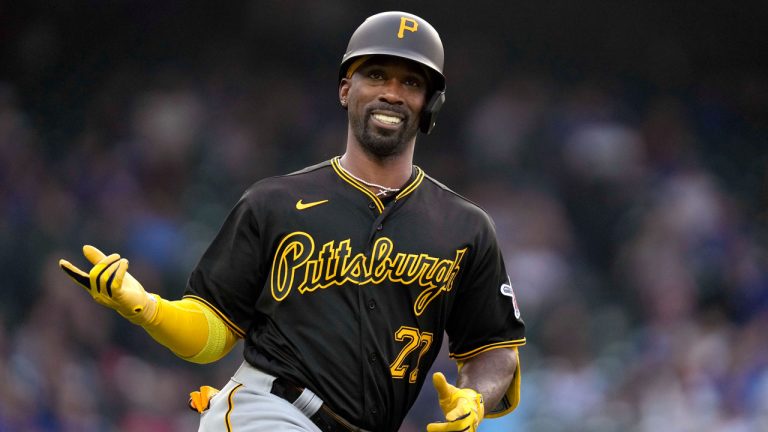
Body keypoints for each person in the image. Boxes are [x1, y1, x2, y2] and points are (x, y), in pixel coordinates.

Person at [59, 11, 526, 432]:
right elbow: (212, 336)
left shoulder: (466, 228)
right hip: (270, 410)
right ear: (345, 89)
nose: (391, 92)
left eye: (411, 82)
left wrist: (475, 398)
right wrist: (148, 308)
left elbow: (494, 351)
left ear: (430, 103)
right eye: (376, 75)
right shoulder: (275, 203)